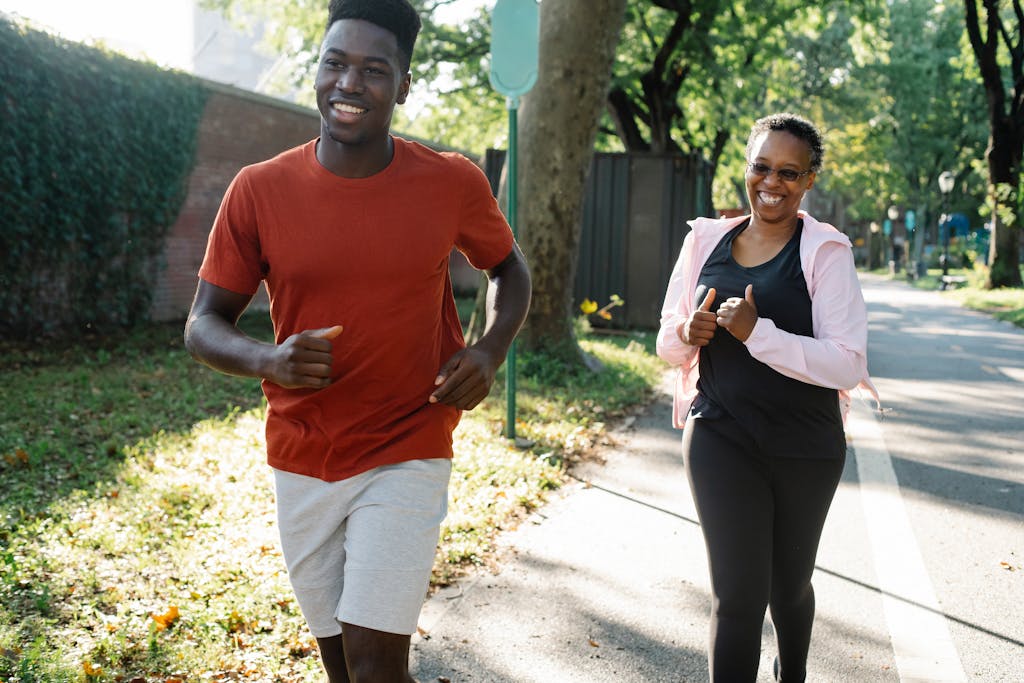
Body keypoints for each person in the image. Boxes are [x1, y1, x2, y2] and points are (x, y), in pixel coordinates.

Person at [183, 0, 532, 680]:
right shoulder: (258, 190)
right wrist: (269, 360)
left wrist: (490, 349)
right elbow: (202, 323)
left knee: (375, 665)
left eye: (374, 70)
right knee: (344, 665)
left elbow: (509, 268)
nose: (349, 84)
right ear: (317, 70)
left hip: (410, 441)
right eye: (336, 63)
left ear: (402, 84)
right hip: (303, 451)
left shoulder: (450, 181)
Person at [656, 113, 875, 682]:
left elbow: (848, 363)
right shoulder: (705, 240)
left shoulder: (827, 252)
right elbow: (666, 339)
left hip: (806, 443)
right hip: (721, 433)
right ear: (746, 169)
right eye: (760, 167)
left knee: (788, 588)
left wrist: (759, 335)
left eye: (787, 171)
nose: (770, 182)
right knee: (738, 597)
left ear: (808, 181)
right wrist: (686, 334)